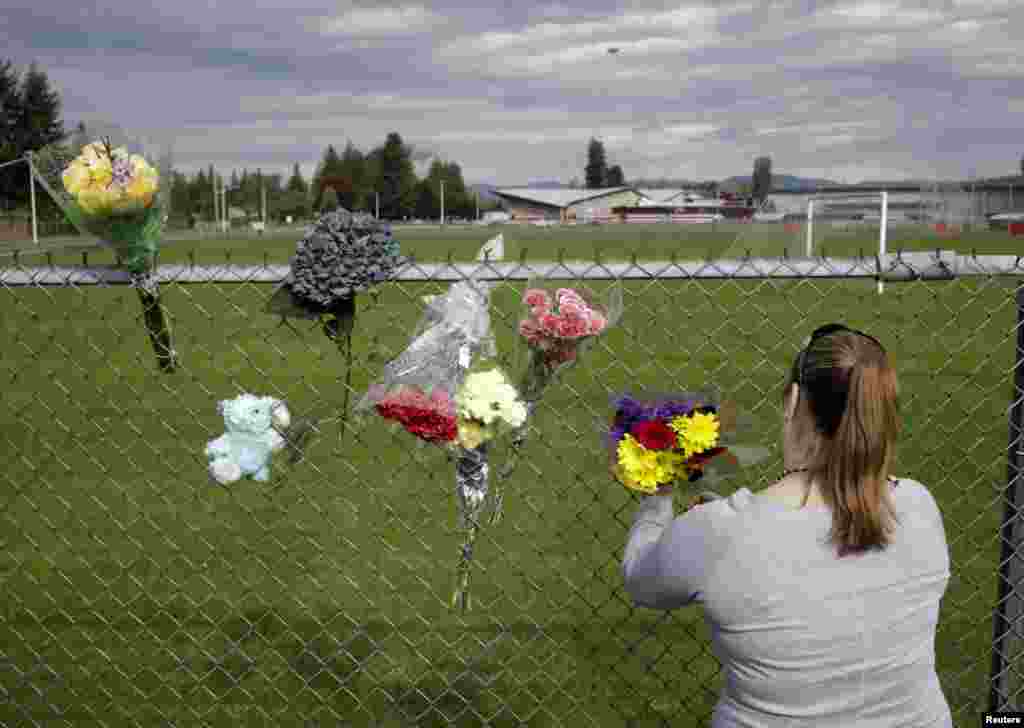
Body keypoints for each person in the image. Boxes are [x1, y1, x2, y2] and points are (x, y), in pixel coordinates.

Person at [622, 324, 952, 727]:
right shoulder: (918, 506)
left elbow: (641, 579)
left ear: (793, 400)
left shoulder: (719, 533)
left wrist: (657, 496)